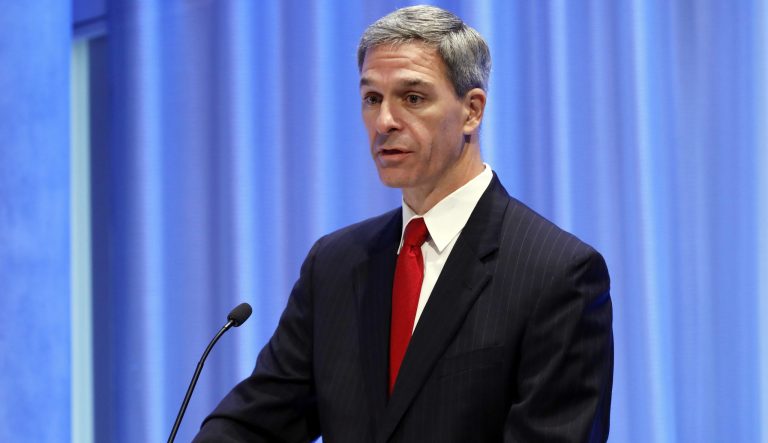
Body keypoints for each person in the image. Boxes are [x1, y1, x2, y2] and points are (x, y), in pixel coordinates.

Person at [193, 5, 612, 442]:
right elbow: (254, 422)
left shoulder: (557, 273)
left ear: (472, 111)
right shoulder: (335, 264)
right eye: (372, 99)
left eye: (412, 98)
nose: (385, 122)